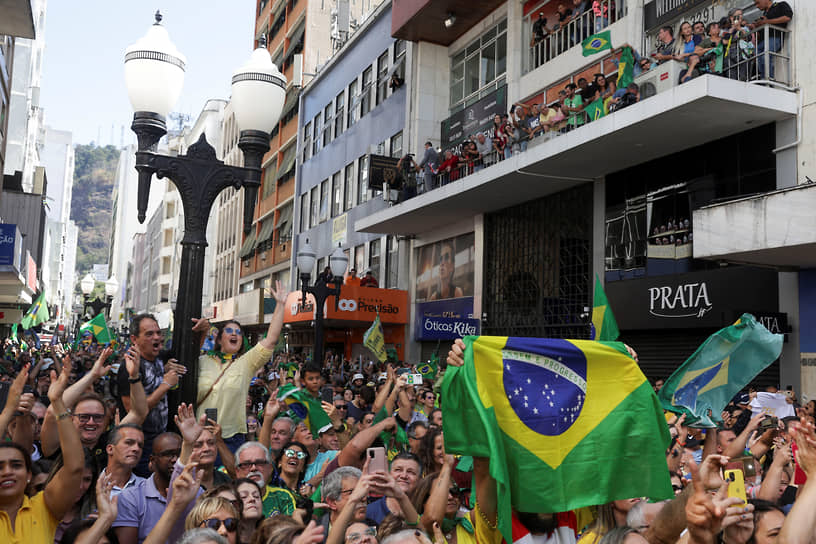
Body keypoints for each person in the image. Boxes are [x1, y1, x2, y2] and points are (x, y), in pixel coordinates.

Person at [193, 280, 288, 453]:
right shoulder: (202, 361)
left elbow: (271, 339)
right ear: (220, 339)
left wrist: (280, 304)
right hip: (199, 436)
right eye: (229, 331)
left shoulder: (245, 363)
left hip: (230, 439)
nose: (235, 334)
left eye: (238, 332)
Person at [0, 363, 85, 543]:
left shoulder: (44, 508)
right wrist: (8, 410)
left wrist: (57, 404)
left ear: (29, 474)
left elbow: (75, 467)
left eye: (16, 465)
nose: (7, 471)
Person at [119, 314, 184, 477]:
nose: (156, 337)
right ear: (134, 339)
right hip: (140, 444)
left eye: (158, 333)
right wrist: (165, 385)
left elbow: (188, 349)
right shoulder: (128, 368)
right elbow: (134, 412)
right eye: (149, 334)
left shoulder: (161, 358)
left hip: (162, 440)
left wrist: (203, 331)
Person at [113, 432, 183, 544]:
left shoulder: (197, 493)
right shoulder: (131, 498)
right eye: (168, 454)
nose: (175, 460)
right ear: (153, 460)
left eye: (180, 454)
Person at [749, 0, 792, 81]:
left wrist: (766, 21)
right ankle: (763, 79)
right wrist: (755, 27)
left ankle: (769, 80)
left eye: (757, 2)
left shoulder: (781, 5)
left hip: (774, 38)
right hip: (762, 41)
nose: (757, 6)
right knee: (759, 60)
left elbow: (787, 17)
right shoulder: (764, 13)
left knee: (766, 56)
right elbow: (760, 32)